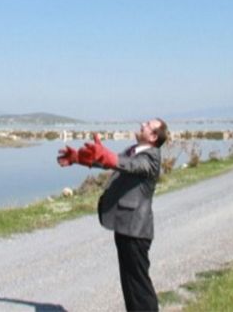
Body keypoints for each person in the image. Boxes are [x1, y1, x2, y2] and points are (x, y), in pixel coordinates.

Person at [57, 118, 169, 312]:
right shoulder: (133, 151)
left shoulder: (151, 157)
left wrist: (107, 156)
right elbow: (113, 163)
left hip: (136, 230)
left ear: (153, 136)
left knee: (139, 287)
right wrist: (78, 158)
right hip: (125, 227)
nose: (142, 124)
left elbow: (129, 165)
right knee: (130, 285)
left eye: (148, 125)